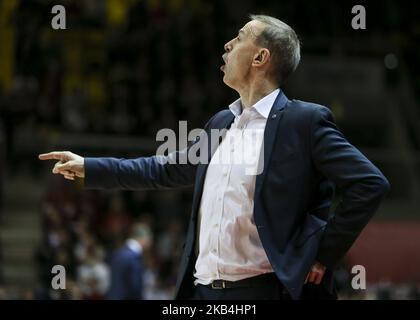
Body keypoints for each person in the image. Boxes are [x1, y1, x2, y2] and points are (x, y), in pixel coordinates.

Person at [39, 14, 390, 300]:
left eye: (239, 37)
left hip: (267, 290)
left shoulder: (304, 121)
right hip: (203, 292)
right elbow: (163, 169)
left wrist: (323, 253)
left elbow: (369, 182)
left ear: (260, 58)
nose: (227, 44)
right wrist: (90, 167)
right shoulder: (222, 122)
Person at [106, 223, 152, 300]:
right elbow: (135, 286)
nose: (150, 243)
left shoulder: (118, 253)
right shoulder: (134, 257)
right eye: (149, 239)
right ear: (143, 238)